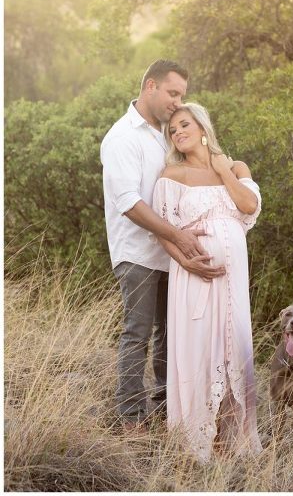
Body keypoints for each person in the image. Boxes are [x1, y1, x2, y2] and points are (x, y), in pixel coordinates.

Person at [101, 60, 225, 433]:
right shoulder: (122, 137)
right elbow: (129, 202)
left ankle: (167, 412)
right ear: (150, 86)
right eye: (173, 93)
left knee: (172, 334)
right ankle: (131, 419)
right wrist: (177, 235)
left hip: (172, 257)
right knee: (137, 332)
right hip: (138, 254)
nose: (177, 102)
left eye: (182, 97)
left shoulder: (165, 134)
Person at [151, 102, 264, 462]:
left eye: (184, 124)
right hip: (195, 278)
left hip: (233, 285)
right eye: (172, 130)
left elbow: (248, 205)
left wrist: (223, 172)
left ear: (202, 126)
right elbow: (162, 232)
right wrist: (188, 260)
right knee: (200, 347)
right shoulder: (173, 175)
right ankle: (196, 443)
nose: (177, 132)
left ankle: (233, 442)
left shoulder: (235, 167)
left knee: (233, 344)